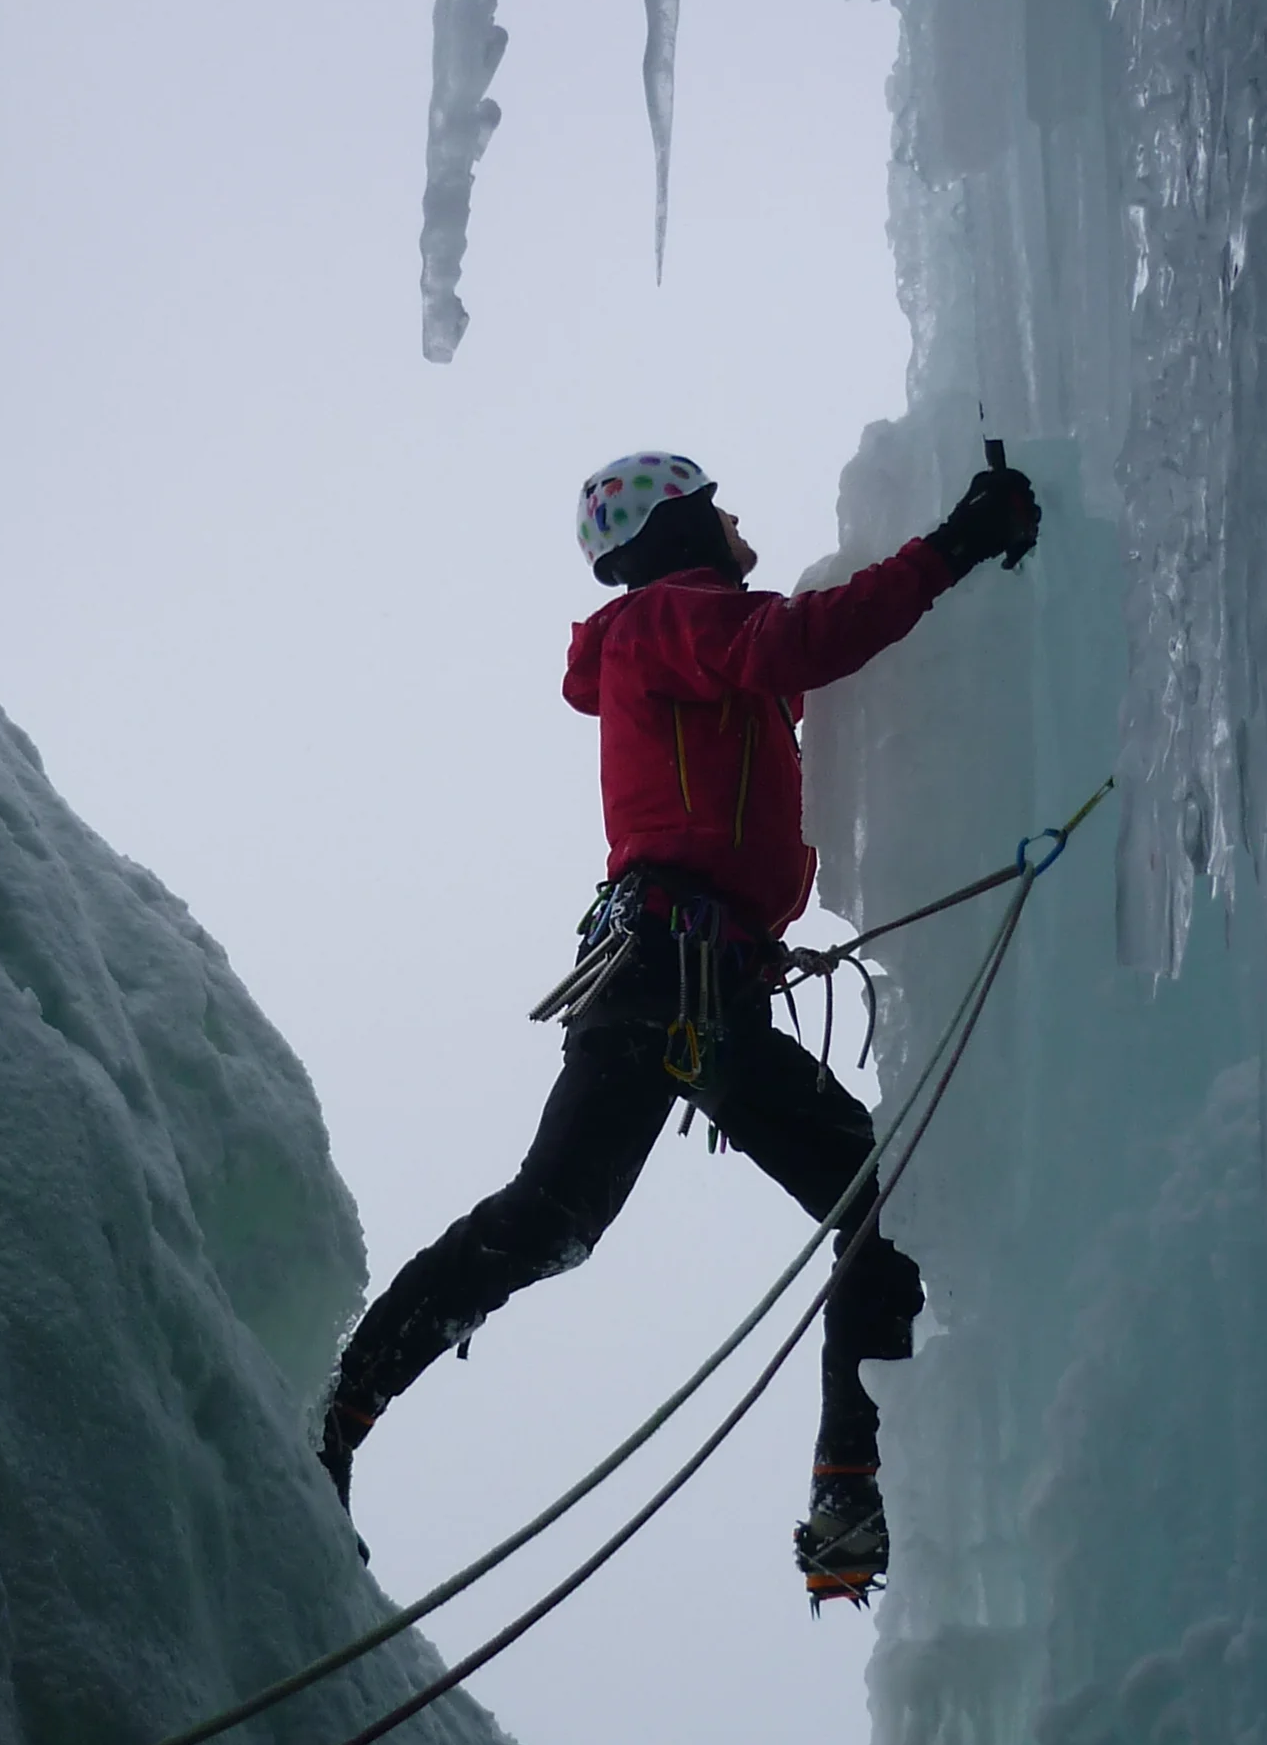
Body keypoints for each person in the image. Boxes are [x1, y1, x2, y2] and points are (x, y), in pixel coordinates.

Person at [317, 444, 1041, 1608]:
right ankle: (845, 1484)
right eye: (720, 509)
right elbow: (796, 641)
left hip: (676, 974)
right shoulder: (672, 616)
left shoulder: (670, 639)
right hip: (673, 971)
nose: (740, 524)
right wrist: (954, 545)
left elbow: (772, 689)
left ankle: (346, 1405)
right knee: (866, 1206)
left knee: (571, 1217)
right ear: (679, 532)